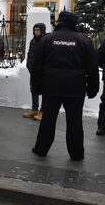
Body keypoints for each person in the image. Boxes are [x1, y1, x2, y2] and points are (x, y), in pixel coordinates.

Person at [31, 11, 99, 161]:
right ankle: (76, 153)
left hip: (51, 87)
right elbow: (93, 67)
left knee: (48, 120)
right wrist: (93, 87)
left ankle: (41, 149)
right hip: (75, 88)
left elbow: (37, 66)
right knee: (74, 122)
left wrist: (36, 87)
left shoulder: (47, 39)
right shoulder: (83, 41)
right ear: (74, 23)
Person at [24, 23, 47, 120]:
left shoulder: (45, 40)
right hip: (33, 70)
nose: (36, 31)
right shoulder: (33, 41)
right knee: (33, 90)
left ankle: (43, 111)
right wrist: (29, 65)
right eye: (35, 29)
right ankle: (34, 109)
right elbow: (30, 54)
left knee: (45, 91)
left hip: (43, 72)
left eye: (38, 30)